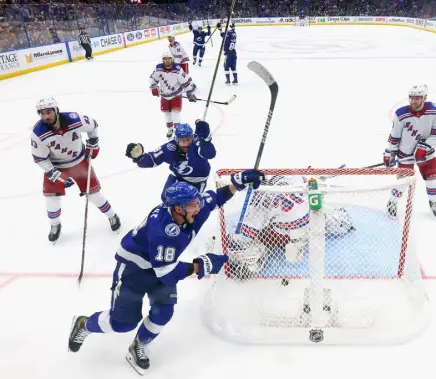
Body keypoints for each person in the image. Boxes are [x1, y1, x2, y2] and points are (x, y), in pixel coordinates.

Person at [67, 170, 265, 375]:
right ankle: (84, 324)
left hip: (162, 265)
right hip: (133, 270)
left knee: (163, 312)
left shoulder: (188, 208)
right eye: (192, 205)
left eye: (197, 203)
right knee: (122, 323)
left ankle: (138, 345)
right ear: (178, 209)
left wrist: (237, 182)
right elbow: (167, 274)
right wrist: (200, 265)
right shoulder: (163, 230)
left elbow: (216, 197)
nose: (197, 208)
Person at [226, 175, 355, 278]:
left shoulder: (257, 206)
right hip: (313, 215)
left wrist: (234, 240)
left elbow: (245, 236)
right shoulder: (281, 177)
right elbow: (307, 179)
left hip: (297, 230)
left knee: (286, 250)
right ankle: (337, 219)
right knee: (328, 218)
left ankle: (293, 245)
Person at [30, 97, 120, 242]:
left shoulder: (75, 119)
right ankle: (55, 225)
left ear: (56, 110)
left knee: (93, 194)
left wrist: (93, 142)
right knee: (51, 198)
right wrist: (53, 173)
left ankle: (112, 215)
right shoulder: (38, 132)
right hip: (56, 166)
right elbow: (39, 158)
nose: (46, 116)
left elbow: (93, 126)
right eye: (42, 113)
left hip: (79, 162)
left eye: (49, 112)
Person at [383, 85, 436, 218]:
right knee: (402, 182)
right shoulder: (401, 114)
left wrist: (425, 147)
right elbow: (394, 136)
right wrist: (390, 152)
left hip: (426, 154)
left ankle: (434, 203)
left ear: (424, 98)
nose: (414, 101)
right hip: (405, 154)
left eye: (418, 98)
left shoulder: (434, 110)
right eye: (412, 98)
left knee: (432, 179)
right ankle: (392, 202)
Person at [125, 120, 215, 197]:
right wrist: (139, 157)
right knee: (166, 198)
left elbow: (210, 154)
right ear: (176, 140)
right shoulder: (170, 148)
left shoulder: (197, 143)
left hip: (197, 181)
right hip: (178, 176)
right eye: (182, 141)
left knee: (190, 206)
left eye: (188, 139)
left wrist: (206, 141)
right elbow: (151, 160)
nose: (186, 144)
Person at [149, 51, 197, 138]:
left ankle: (177, 130)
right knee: (167, 113)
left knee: (175, 113)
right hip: (164, 95)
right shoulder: (158, 68)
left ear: (172, 59)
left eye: (169, 58)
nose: (167, 60)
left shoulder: (178, 69)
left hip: (176, 95)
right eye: (165, 59)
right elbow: (152, 79)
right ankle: (170, 129)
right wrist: (154, 87)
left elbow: (186, 82)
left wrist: (190, 93)